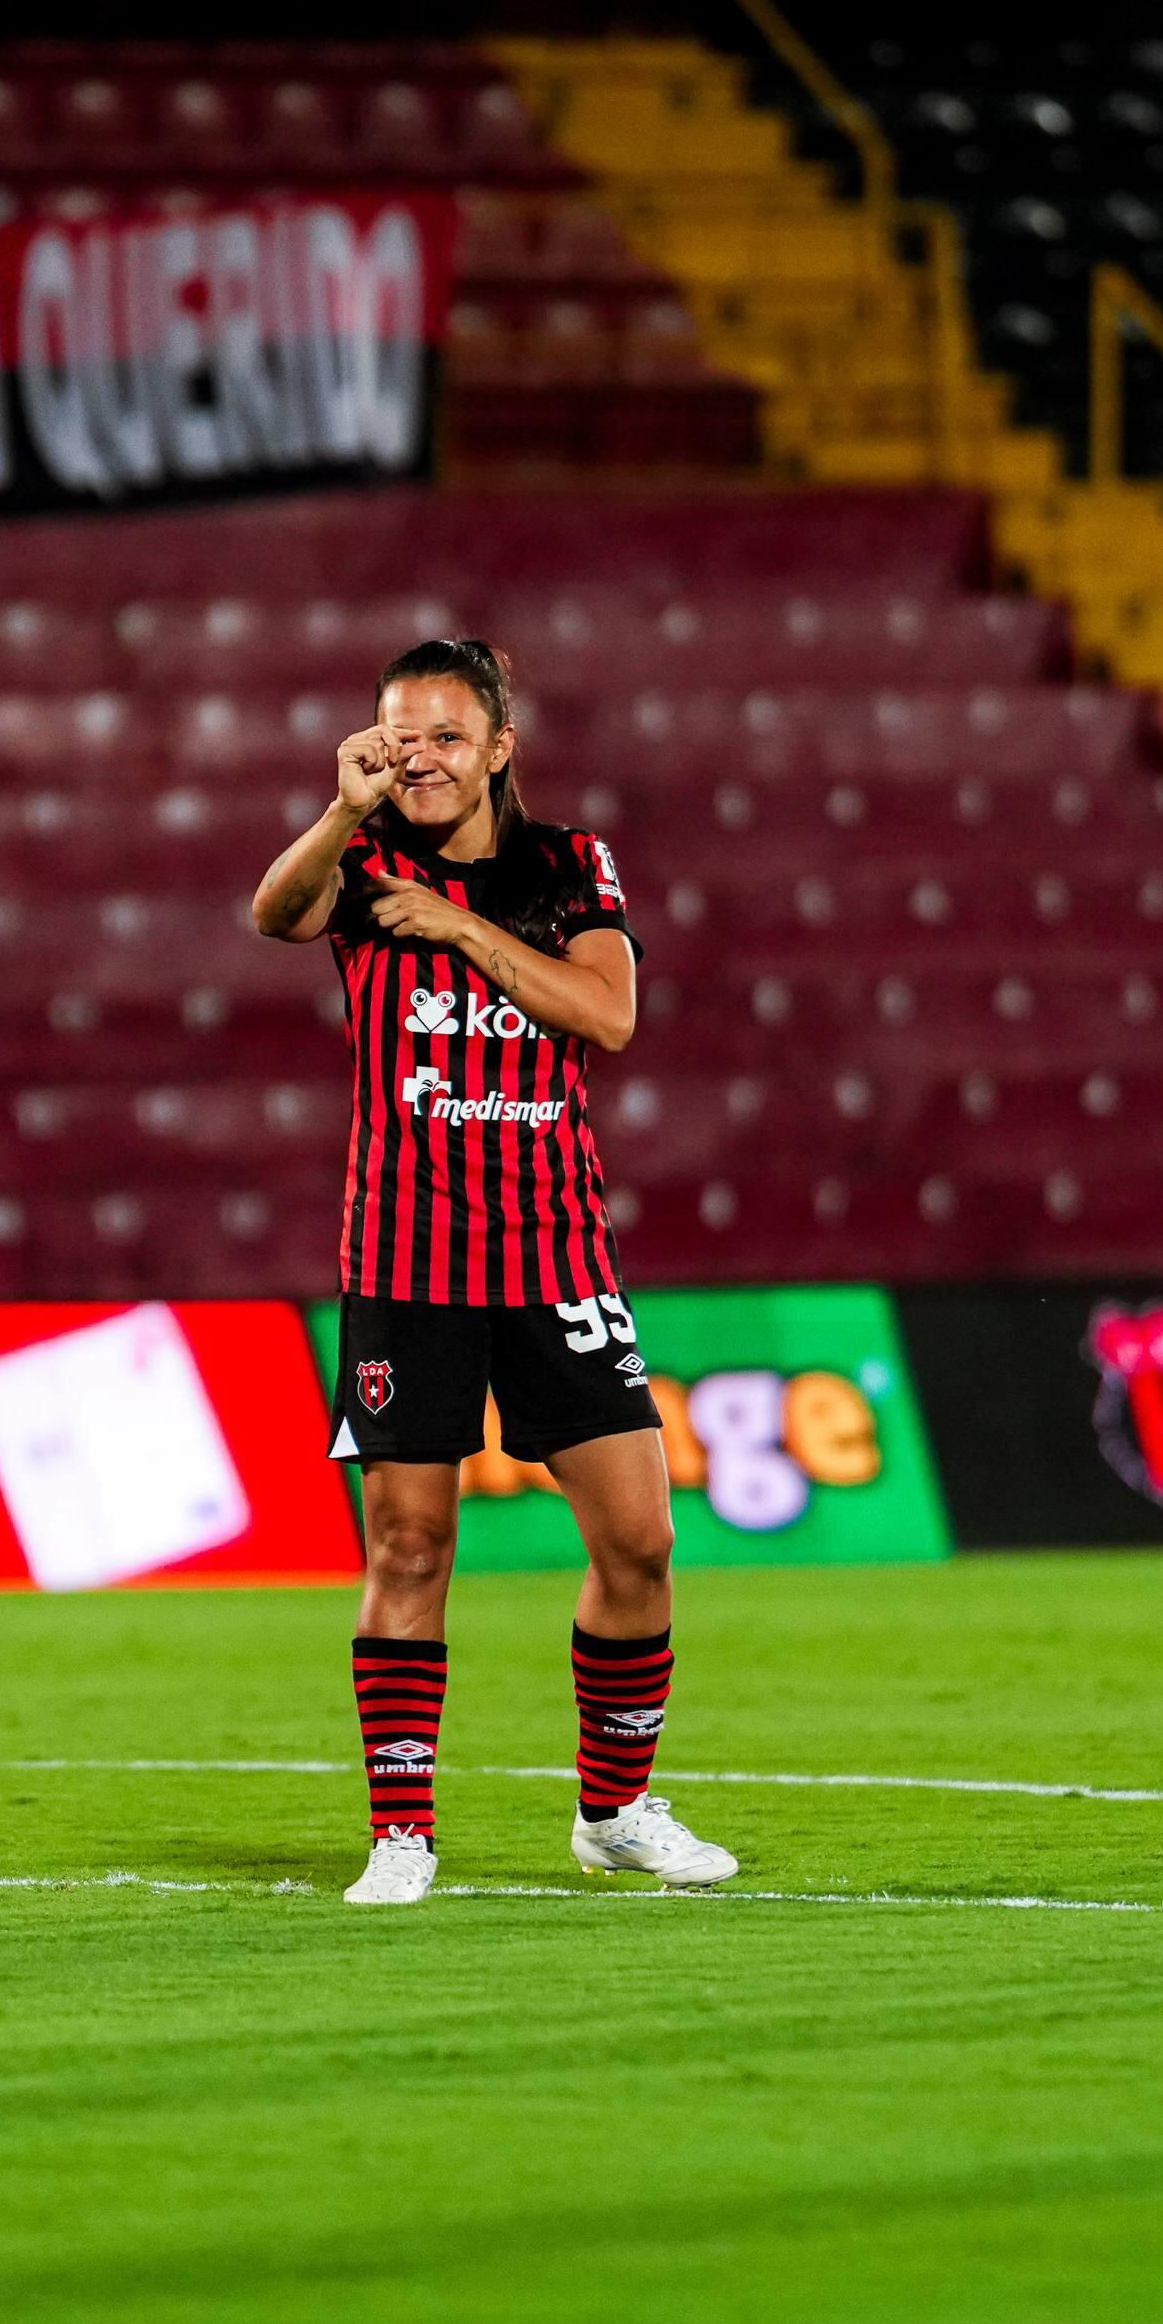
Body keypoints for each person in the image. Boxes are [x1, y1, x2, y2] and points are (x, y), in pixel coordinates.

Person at [252, 635, 738, 1904]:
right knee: (409, 1547)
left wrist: (463, 932)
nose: (421, 757)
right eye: (399, 736)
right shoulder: (359, 861)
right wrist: (339, 810)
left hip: (555, 1252)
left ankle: (616, 1809)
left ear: (499, 750)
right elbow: (273, 917)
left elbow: (608, 1014)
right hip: (405, 1259)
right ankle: (402, 1833)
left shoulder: (569, 864)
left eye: (447, 737)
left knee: (638, 1543)